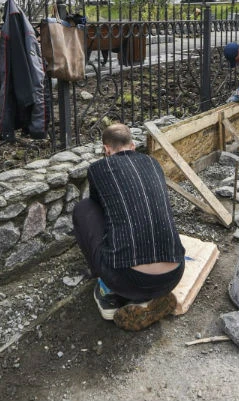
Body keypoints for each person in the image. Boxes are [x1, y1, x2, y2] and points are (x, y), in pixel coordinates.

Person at [72, 124, 185, 331]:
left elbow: (99, 210)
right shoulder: (153, 163)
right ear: (133, 145)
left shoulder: (98, 169)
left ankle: (108, 294)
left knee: (83, 209)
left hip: (129, 280)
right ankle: (149, 299)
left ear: (106, 149)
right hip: (175, 273)